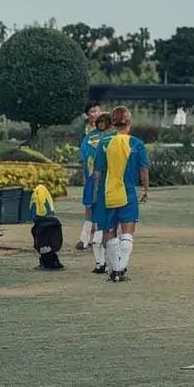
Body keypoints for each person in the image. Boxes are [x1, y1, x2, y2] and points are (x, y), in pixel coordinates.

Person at [92, 106, 149, 283]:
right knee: (127, 232)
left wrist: (96, 194)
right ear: (129, 123)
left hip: (108, 193)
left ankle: (115, 270)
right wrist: (146, 189)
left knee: (109, 232)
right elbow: (144, 170)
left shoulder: (104, 143)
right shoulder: (137, 144)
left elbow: (98, 173)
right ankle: (121, 269)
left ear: (113, 123)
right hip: (128, 192)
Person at [84, 112, 112, 273]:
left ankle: (111, 262)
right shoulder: (91, 138)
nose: (101, 125)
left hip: (111, 189)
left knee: (110, 233)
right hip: (97, 190)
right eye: (98, 122)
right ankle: (100, 263)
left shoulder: (111, 138)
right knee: (97, 237)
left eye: (104, 122)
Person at [75, 103, 103, 252]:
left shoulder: (108, 131)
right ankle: (87, 238)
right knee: (89, 205)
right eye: (91, 112)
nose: (95, 114)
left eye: (96, 110)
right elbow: (84, 157)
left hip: (104, 175)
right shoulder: (86, 133)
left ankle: (94, 238)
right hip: (91, 175)